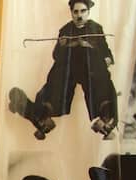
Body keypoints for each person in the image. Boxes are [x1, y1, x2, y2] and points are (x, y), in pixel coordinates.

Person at [9, 0, 118, 139]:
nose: (79, 15)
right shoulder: (65, 30)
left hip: (90, 69)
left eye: (83, 11)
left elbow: (105, 52)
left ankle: (106, 116)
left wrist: (103, 56)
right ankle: (42, 114)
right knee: (57, 77)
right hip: (70, 68)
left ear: (88, 12)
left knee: (100, 75)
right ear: (71, 13)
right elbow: (56, 55)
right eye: (76, 12)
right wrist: (62, 46)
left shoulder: (96, 28)